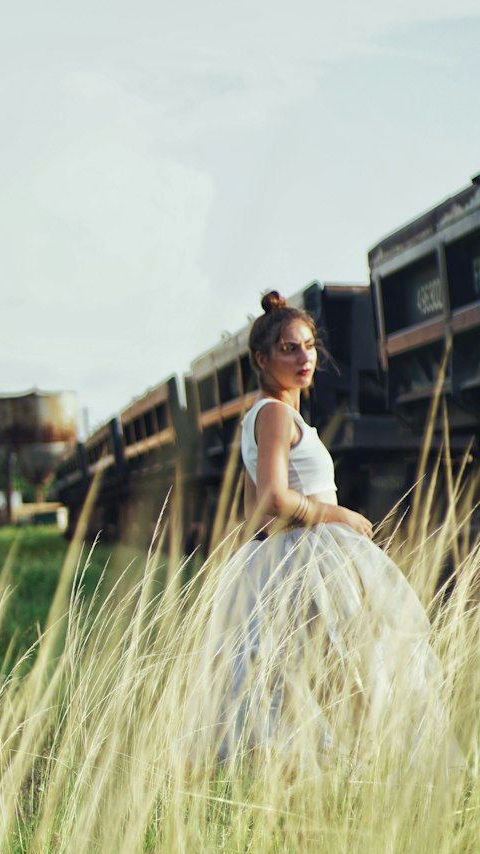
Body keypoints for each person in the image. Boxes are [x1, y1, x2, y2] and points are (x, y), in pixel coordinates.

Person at [192, 290, 458, 773]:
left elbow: (255, 513)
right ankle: (362, 769)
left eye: (310, 346)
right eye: (289, 348)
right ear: (262, 358)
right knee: (352, 665)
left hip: (287, 554)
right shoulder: (274, 413)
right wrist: (342, 517)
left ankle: (326, 771)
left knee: (312, 671)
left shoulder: (267, 415)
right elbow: (274, 498)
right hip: (309, 555)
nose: (304, 357)